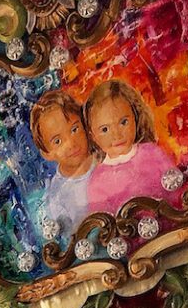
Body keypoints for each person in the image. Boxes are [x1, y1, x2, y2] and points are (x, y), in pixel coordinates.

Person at [84, 79, 175, 213]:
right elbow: (103, 224)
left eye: (123, 122)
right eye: (105, 130)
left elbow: (176, 189)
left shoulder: (153, 153)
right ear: (93, 136)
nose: (116, 135)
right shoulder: (97, 181)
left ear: (135, 117)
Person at [29, 89, 96, 238]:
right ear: (47, 153)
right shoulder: (57, 194)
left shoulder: (104, 159)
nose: (71, 144)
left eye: (74, 129)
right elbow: (68, 240)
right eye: (58, 141)